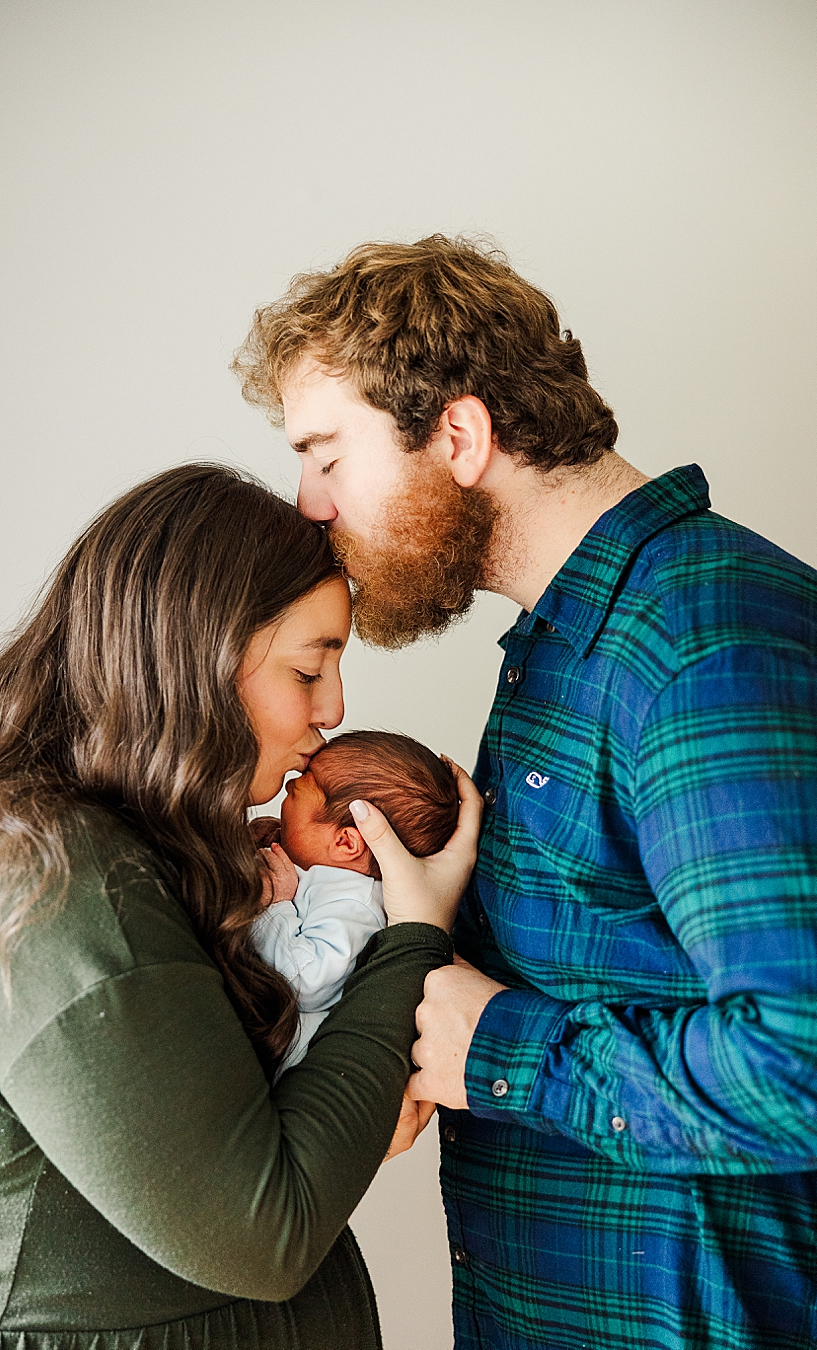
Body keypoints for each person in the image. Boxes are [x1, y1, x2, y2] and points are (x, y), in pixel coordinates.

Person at [234, 236, 817, 1349]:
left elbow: (800, 1058)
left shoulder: (699, 649)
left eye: (326, 454)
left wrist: (500, 1047)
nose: (308, 504)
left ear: (457, 435)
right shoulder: (562, 649)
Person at [0, 462, 482, 1349]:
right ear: (199, 657)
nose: (335, 707)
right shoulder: (56, 878)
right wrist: (413, 936)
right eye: (310, 668)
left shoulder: (163, 846)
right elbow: (268, 1232)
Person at [253, 730, 459, 1070]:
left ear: (347, 843)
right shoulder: (326, 875)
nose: (288, 788)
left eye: (300, 790)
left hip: (287, 1069)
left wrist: (275, 907)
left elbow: (306, 981)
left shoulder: (356, 906)